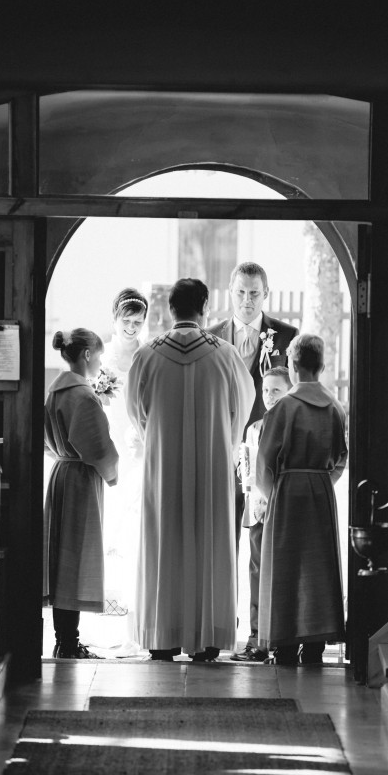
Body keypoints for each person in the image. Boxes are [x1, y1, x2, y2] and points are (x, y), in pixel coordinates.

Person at [126, 278, 254, 662]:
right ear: (205, 308)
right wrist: (224, 442)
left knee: (164, 541)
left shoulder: (148, 355)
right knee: (209, 542)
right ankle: (208, 637)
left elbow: (136, 413)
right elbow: (242, 407)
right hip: (212, 465)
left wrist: (160, 437)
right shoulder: (226, 355)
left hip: (163, 464)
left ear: (169, 309)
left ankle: (162, 636)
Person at [208, 260, 298, 656]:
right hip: (222, 455)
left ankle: (259, 633)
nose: (247, 300)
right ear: (231, 293)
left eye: (255, 293)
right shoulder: (210, 338)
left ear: (267, 294)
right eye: (241, 292)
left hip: (267, 457)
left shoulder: (287, 337)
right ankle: (218, 628)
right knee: (221, 546)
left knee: (262, 551)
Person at [256, 334, 347, 666]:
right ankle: (315, 643)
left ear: (293, 367)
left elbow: (265, 460)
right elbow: (340, 458)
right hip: (320, 490)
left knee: (287, 566)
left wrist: (272, 492)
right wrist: (321, 480)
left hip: (289, 489)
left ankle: (283, 643)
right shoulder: (335, 407)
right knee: (317, 568)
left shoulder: (283, 408)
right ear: (321, 366)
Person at [44, 328, 119, 659]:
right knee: (74, 557)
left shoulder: (55, 391)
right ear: (87, 355)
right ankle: (69, 641)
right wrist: (114, 473)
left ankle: (64, 638)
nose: (100, 362)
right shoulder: (83, 396)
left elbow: (47, 439)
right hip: (80, 478)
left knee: (62, 558)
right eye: (99, 356)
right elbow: (98, 447)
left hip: (61, 471)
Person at [230, 366, 292, 662]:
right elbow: (250, 469)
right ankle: (256, 637)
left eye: (276, 390)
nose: (269, 396)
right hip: (257, 509)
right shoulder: (254, 428)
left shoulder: (291, 423)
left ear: (289, 391)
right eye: (266, 390)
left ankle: (281, 636)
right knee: (256, 572)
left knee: (281, 574)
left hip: (282, 507)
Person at [100, 288, 148, 645]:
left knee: (135, 524)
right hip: (113, 436)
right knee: (112, 522)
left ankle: (134, 600)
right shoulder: (104, 358)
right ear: (115, 319)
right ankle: (110, 599)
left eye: (137, 322)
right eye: (126, 321)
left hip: (141, 443)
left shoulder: (147, 356)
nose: (131, 327)